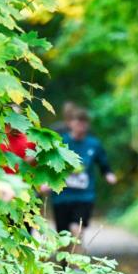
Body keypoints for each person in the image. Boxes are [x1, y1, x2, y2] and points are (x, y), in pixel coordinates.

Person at [51, 104, 117, 245]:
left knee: (77, 229)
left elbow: (103, 163)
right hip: (61, 196)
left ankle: (76, 266)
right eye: (78, 121)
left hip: (84, 196)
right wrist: (46, 182)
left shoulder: (94, 144)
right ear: (70, 123)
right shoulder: (61, 142)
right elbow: (50, 164)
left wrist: (108, 174)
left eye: (84, 122)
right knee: (63, 237)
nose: (81, 125)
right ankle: (64, 265)